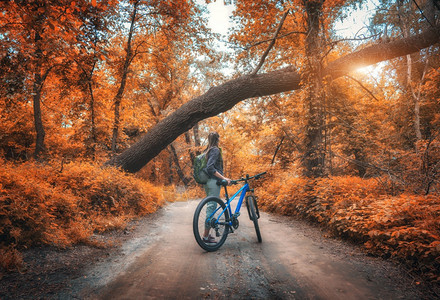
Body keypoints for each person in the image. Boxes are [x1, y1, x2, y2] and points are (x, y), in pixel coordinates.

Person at [202, 132, 231, 243]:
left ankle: (207, 235)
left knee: (211, 206)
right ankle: (205, 236)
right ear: (217, 139)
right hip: (214, 182)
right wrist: (223, 178)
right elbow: (210, 168)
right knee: (212, 207)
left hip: (208, 182)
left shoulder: (207, 150)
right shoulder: (215, 150)